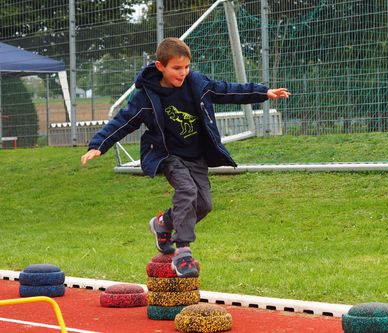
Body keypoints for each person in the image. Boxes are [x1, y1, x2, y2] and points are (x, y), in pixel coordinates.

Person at [81, 37, 291, 278]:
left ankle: (163, 223)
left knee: (204, 204)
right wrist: (99, 145)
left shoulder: (197, 84)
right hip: (168, 156)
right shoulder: (146, 97)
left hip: (196, 156)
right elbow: (124, 120)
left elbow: (226, 90)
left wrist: (263, 92)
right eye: (176, 68)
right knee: (187, 192)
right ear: (160, 66)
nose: (183, 73)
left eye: (186, 67)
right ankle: (183, 253)